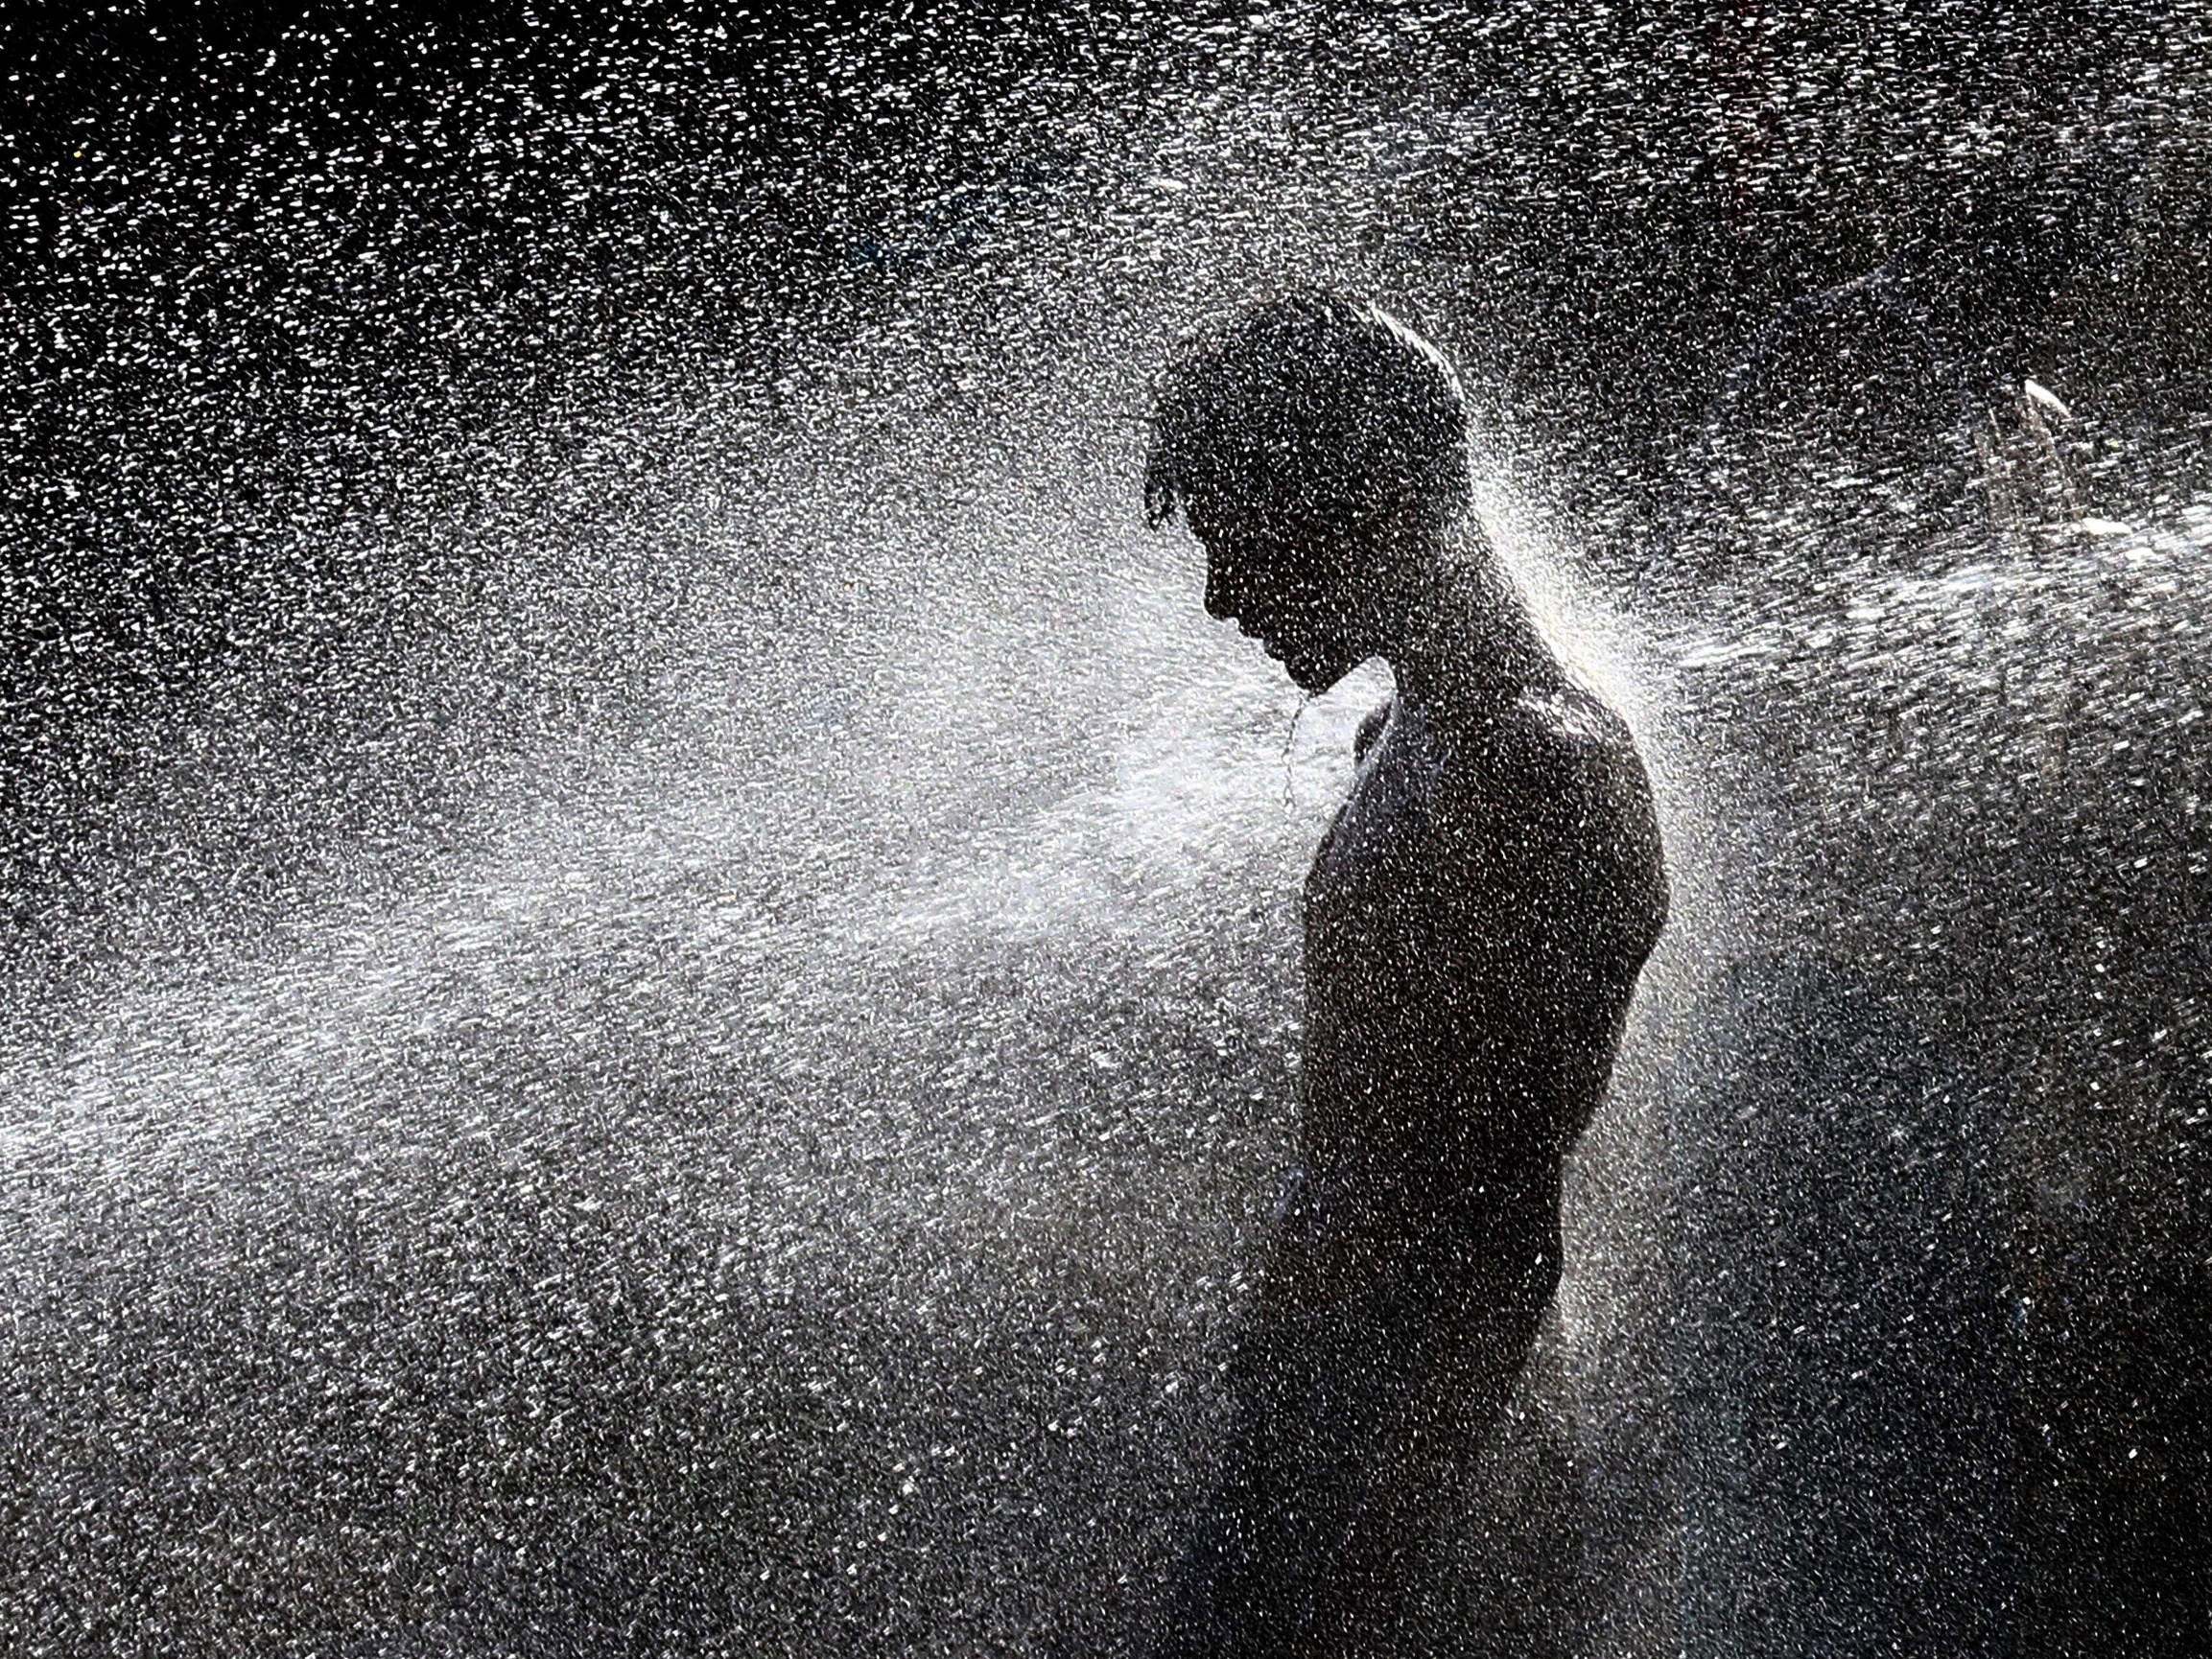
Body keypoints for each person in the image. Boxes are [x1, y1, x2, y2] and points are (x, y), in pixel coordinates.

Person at [1142, 293, 1670, 1658]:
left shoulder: (1525, 770)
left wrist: (1329, 1578)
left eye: (1237, 529)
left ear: (1356, 496)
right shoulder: (1422, 731)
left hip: (1409, 1510)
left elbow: (1496, 1235)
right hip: (1363, 1453)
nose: (1219, 591)